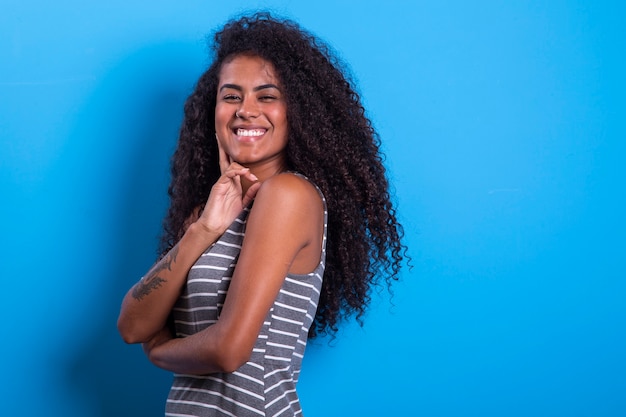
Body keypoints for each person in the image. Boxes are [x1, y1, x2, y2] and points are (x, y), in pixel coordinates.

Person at [117, 12, 406, 416]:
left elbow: (228, 349)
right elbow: (132, 326)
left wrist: (161, 352)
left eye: (267, 96)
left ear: (298, 111)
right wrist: (203, 230)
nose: (245, 111)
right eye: (231, 96)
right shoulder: (211, 212)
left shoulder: (288, 195)